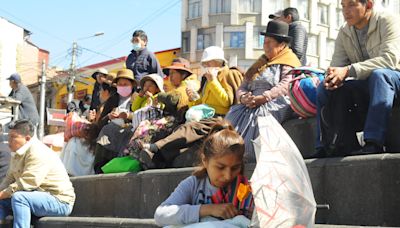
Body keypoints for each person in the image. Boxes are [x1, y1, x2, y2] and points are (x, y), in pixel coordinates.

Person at [315, 0, 400, 157]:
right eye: (343, 6)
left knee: (379, 75)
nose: (346, 11)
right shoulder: (344, 32)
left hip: (393, 79)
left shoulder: (388, 20)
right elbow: (337, 65)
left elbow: (390, 60)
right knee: (324, 87)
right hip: (368, 85)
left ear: (368, 5)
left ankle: (373, 141)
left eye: (352, 5)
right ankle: (328, 144)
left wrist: (348, 70)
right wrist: (332, 77)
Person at [137, 46, 243, 169]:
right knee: (181, 129)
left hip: (220, 118)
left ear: (219, 61)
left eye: (209, 62)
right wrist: (194, 99)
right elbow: (203, 103)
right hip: (205, 116)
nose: (206, 65)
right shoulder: (206, 79)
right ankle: (156, 157)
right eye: (205, 63)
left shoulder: (229, 74)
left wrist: (213, 81)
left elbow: (226, 102)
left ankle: (156, 147)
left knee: (191, 128)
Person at [226, 20, 301, 162]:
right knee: (231, 118)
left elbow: (286, 84)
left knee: (259, 121)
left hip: (273, 100)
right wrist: (243, 98)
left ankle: (248, 156)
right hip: (250, 102)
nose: (265, 46)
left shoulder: (289, 61)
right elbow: (243, 86)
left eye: (269, 42)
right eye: (264, 41)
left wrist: (264, 97)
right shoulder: (260, 63)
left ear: (281, 45)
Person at [154, 120, 253, 227]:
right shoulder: (194, 184)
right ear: (205, 161)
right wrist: (205, 209)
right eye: (220, 167)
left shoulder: (245, 189)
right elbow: (160, 215)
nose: (228, 176)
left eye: (235, 168)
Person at [0, 119, 75, 227]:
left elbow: (28, 183)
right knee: (2, 202)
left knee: (19, 197)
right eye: (9, 136)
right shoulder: (17, 153)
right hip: (36, 197)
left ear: (27, 138)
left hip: (59, 201)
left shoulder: (37, 151)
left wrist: (3, 194)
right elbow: (8, 179)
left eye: (13, 137)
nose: (9, 140)